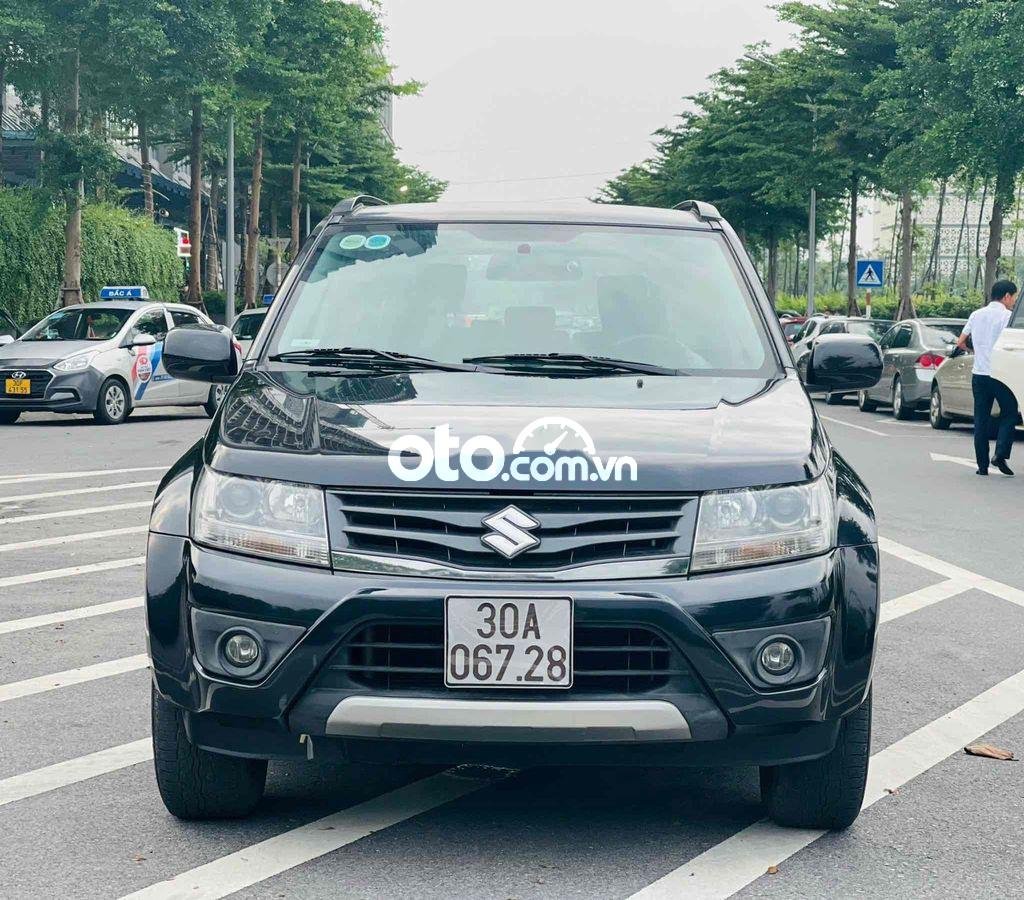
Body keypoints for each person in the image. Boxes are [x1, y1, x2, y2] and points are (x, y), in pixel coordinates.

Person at [956, 280, 1019, 476]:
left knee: (981, 419)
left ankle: (982, 466)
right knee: (1010, 412)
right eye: (1014, 297)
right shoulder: (1008, 316)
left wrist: (976, 351)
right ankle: (1000, 454)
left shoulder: (976, 314)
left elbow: (961, 342)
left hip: (979, 374)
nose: (1014, 302)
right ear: (1006, 296)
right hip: (1001, 374)